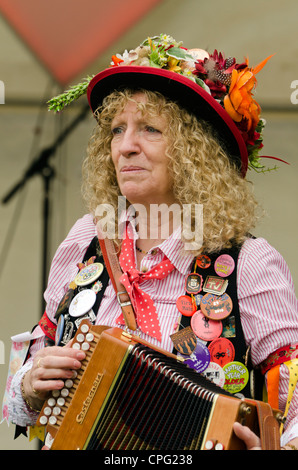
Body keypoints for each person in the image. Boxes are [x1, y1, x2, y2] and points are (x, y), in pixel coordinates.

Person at [4, 34, 298, 450]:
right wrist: (30, 384)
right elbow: (31, 362)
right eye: (117, 129)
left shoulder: (248, 263)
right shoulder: (86, 239)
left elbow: (294, 388)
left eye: (150, 129)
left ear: (197, 153)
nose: (125, 147)